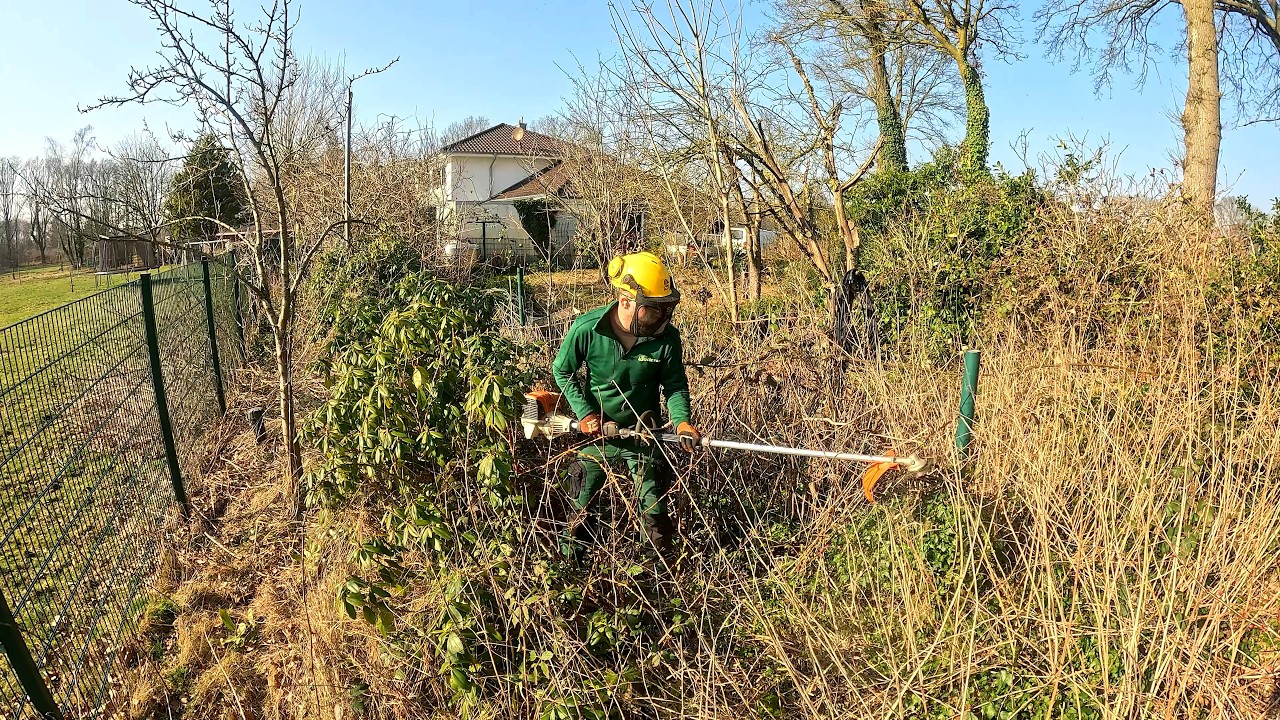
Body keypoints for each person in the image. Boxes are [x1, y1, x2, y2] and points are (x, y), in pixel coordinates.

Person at [551, 251, 700, 561]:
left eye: (664, 310)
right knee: (580, 506)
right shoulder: (588, 329)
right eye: (652, 312)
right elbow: (562, 370)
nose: (659, 319)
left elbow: (674, 385)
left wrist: (682, 421)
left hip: (644, 435)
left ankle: (657, 578)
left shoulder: (667, 339)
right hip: (597, 434)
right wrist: (585, 413)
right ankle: (572, 571)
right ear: (626, 301)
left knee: (654, 512)